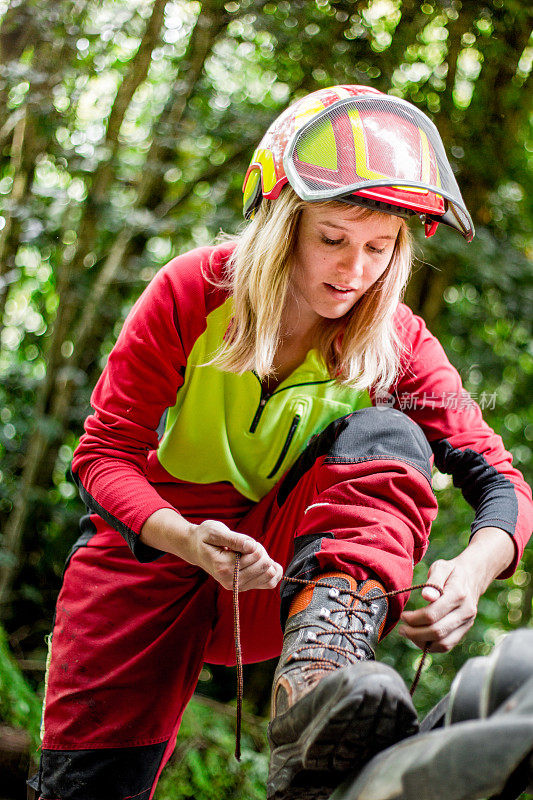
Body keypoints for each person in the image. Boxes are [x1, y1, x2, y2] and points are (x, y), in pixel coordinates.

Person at [30, 85, 532, 800]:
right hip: (143, 567)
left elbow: (499, 480)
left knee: (388, 431)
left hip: (280, 584)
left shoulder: (397, 343)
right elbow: (103, 455)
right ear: (282, 223)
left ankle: (316, 690)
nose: (354, 271)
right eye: (332, 238)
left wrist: (474, 571)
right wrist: (183, 537)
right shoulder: (189, 292)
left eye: (378, 247)